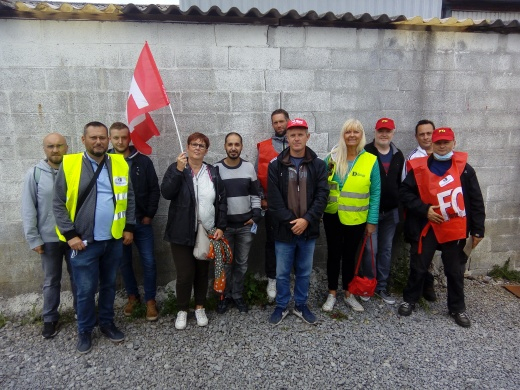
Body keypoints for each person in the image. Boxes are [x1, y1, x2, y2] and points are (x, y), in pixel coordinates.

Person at [53, 122, 135, 354]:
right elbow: (58, 203)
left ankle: (107, 323)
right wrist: (70, 235)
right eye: (93, 138)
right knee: (86, 289)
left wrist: (128, 227)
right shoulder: (69, 164)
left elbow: (128, 197)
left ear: (108, 140)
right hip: (83, 242)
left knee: (109, 285)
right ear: (83, 140)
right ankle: (85, 330)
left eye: (102, 138)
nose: (98, 142)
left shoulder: (118, 162)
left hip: (112, 240)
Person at [398, 127, 485, 327]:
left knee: (454, 271)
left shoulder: (465, 169)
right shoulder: (419, 168)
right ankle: (409, 299)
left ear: (454, 143)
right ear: (432, 144)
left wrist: (478, 229)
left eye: (446, 142)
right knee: (419, 266)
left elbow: (476, 200)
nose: (442, 146)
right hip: (427, 226)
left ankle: (457, 308)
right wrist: (425, 209)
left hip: (454, 229)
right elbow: (405, 193)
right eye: (439, 142)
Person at [161, 132, 227, 330]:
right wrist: (178, 171)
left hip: (206, 230)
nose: (197, 148)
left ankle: (200, 307)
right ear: (187, 147)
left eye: (202, 145)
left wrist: (221, 227)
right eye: (194, 144)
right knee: (185, 273)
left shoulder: (213, 172)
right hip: (181, 230)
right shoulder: (177, 168)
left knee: (201, 271)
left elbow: (221, 202)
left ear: (206, 150)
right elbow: (167, 193)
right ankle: (182, 310)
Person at [267, 118, 329, 325]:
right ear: (287, 137)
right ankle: (282, 305)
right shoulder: (276, 166)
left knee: (304, 271)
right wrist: (294, 222)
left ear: (307, 136)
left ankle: (301, 305)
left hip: (308, 230)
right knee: (282, 273)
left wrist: (307, 220)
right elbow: (274, 201)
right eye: (292, 134)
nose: (296, 138)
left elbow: (322, 195)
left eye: (300, 134)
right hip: (284, 230)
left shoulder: (318, 165)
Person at [321, 119, 380, 313]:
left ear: (361, 135)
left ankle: (348, 292)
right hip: (333, 216)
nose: (352, 135)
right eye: (348, 132)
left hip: (356, 218)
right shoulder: (331, 157)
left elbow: (376, 192)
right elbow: (321, 185)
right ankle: (332, 293)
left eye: (356, 132)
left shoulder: (370, 160)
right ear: (343, 135)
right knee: (333, 255)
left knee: (349, 256)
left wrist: (372, 221)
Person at [22, 133, 77, 339]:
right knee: (51, 280)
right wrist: (33, 238)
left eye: (59, 146)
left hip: (73, 237)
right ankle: (50, 318)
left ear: (67, 147)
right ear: (44, 149)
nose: (55, 150)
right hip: (48, 239)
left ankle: (81, 312)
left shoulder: (74, 170)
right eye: (51, 146)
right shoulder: (35, 174)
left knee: (78, 278)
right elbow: (28, 208)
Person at [108, 122, 161, 321]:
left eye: (124, 137)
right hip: (117, 223)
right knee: (124, 263)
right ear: (110, 139)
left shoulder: (143, 161)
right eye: (116, 138)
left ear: (129, 138)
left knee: (149, 261)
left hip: (141, 222)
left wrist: (149, 215)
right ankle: (132, 296)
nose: (120, 141)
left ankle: (150, 300)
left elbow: (154, 190)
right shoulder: (105, 161)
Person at [215, 132, 262, 314]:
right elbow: (214, 198)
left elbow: (255, 194)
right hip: (224, 228)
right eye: (230, 144)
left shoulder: (249, 167)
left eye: (237, 144)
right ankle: (224, 296)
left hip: (245, 226)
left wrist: (256, 215)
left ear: (242, 146)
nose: (233, 148)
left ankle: (237, 295)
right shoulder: (216, 168)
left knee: (241, 263)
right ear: (225, 146)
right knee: (225, 264)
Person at [361, 118, 404, 305]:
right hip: (371, 212)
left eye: (387, 131)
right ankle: (368, 285)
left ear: (393, 133)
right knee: (371, 249)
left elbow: (402, 183)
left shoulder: (398, 155)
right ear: (375, 132)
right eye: (381, 131)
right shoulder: (366, 152)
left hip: (391, 212)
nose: (384, 134)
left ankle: (382, 287)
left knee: (386, 250)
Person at [402, 119, 437, 302]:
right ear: (416, 137)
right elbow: (405, 189)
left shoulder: (448, 156)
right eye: (421, 134)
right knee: (418, 253)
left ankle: (429, 282)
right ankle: (418, 289)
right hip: (419, 214)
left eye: (429, 133)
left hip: (441, 215)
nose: (426, 137)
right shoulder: (412, 159)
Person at [256, 109, 289, 301]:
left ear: (288, 122)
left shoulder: (297, 145)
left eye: (281, 121)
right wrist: (262, 198)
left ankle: (288, 279)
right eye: (275, 122)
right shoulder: (264, 147)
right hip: (271, 207)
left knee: (293, 243)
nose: (279, 125)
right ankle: (272, 278)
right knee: (272, 243)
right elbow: (256, 176)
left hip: (294, 207)